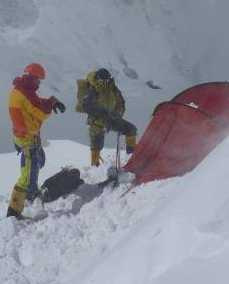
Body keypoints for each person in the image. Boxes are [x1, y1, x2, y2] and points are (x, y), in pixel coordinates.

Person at [7, 62, 65, 218]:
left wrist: (52, 101)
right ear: (32, 78)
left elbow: (36, 104)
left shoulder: (22, 91)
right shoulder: (25, 94)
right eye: (38, 80)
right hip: (26, 139)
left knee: (38, 161)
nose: (39, 83)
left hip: (26, 136)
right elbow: (42, 113)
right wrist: (52, 102)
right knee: (26, 175)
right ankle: (13, 212)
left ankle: (31, 192)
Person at [77, 68, 137, 166]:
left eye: (106, 80)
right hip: (97, 120)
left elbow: (120, 103)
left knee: (131, 129)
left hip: (111, 118)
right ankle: (95, 166)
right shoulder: (93, 88)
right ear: (98, 78)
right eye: (102, 80)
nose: (104, 82)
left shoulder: (113, 88)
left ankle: (131, 157)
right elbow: (86, 105)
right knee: (96, 145)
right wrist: (103, 113)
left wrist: (117, 116)